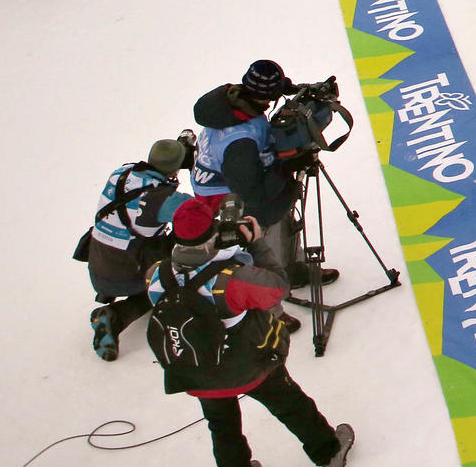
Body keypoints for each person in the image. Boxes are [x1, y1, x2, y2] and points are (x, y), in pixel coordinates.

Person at [146, 203, 355, 467]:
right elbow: (278, 288)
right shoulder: (233, 280)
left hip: (197, 370)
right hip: (249, 365)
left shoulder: (157, 277)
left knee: (222, 427)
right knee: (291, 405)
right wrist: (255, 244)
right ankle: (328, 452)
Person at [190, 60, 332, 286]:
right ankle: (278, 281)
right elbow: (253, 194)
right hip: (226, 193)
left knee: (282, 198)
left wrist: (294, 88)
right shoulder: (240, 141)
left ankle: (292, 265)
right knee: (272, 213)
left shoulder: (235, 97)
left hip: (235, 173)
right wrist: (285, 166)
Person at [82, 135, 192, 359]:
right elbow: (197, 214)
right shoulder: (163, 199)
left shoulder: (120, 174)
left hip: (97, 265)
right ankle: (115, 315)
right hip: (127, 274)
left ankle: (111, 297)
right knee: (181, 258)